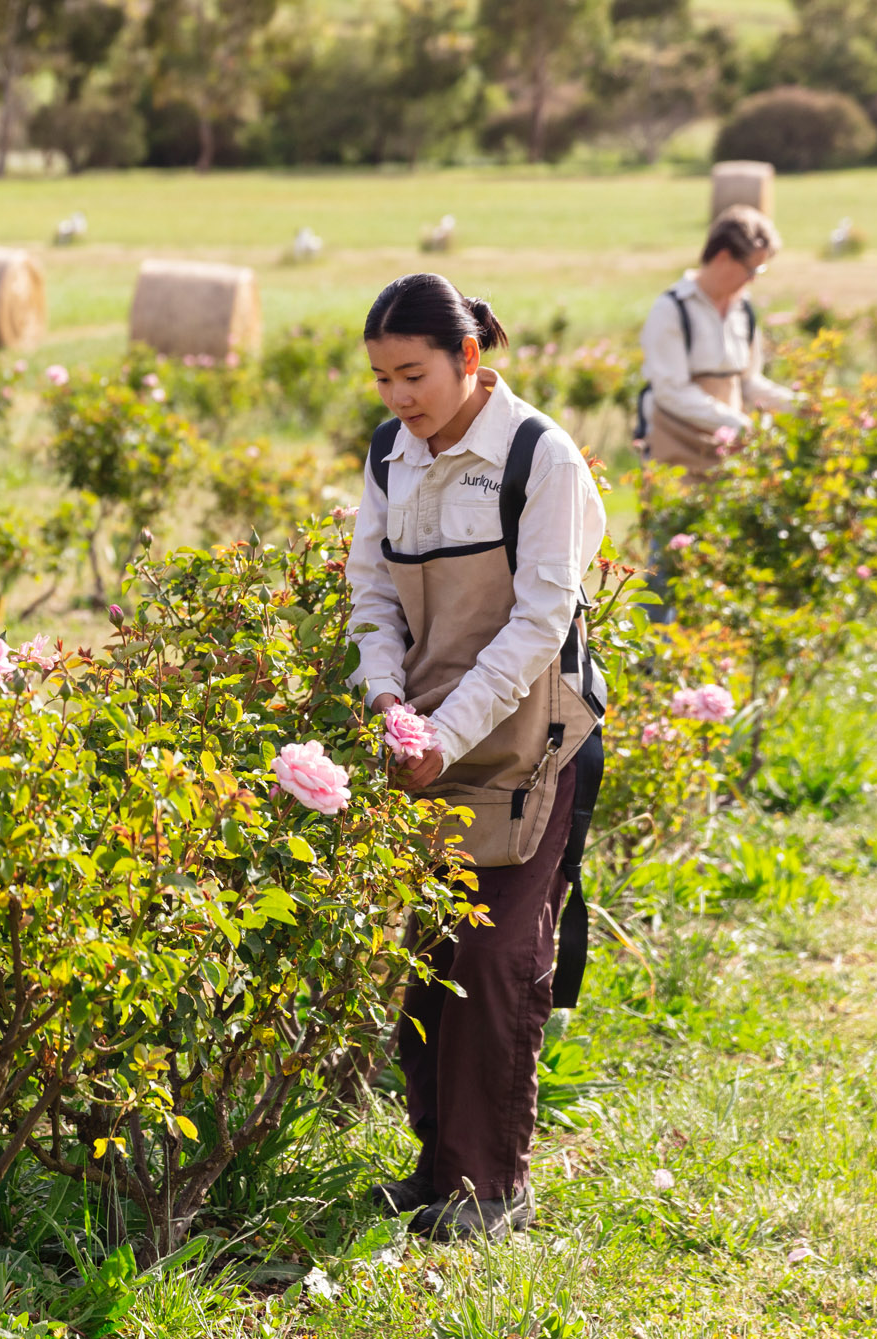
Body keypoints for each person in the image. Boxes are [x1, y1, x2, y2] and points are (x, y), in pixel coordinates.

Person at [345, 273, 608, 1242]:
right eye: (382, 379)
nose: (398, 397)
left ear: (467, 357)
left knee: (498, 954)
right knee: (435, 955)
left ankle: (491, 1185)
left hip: (532, 736)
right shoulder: (390, 454)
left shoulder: (540, 455)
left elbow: (539, 621)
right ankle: (437, 1169)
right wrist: (386, 697)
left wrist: (448, 731)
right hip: (428, 733)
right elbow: (372, 595)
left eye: (413, 374)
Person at [636, 206, 795, 476]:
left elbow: (748, 381)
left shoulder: (743, 310)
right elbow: (671, 391)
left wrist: (798, 405)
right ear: (723, 257)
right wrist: (738, 424)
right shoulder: (672, 309)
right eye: (751, 269)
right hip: (677, 447)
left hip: (728, 449)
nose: (753, 280)